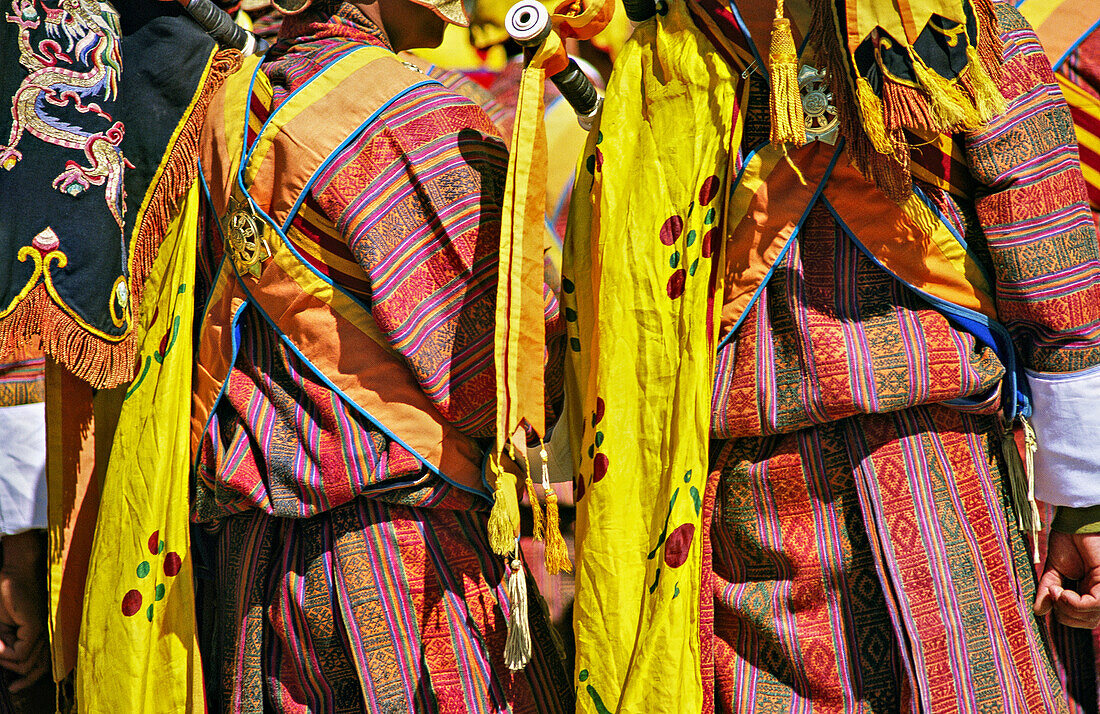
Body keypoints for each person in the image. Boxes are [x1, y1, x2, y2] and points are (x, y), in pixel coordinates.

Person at [562, 0, 1100, 710]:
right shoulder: (937, 19)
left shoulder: (663, 60)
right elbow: (1046, 239)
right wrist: (1083, 500)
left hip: (748, 498)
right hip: (925, 471)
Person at [193, 0, 570, 710]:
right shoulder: (412, 112)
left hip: (255, 583)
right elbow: (502, 381)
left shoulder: (219, 110)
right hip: (412, 571)